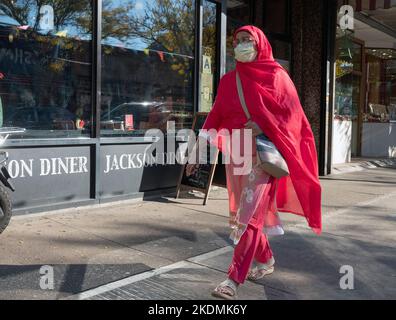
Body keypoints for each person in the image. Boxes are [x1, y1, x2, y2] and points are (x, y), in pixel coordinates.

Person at [185, 25, 322, 300]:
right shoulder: (227, 81)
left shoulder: (277, 76)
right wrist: (196, 152)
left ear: (261, 43)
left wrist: (264, 124)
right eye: (237, 41)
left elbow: (294, 118)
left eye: (248, 40)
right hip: (236, 153)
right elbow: (215, 117)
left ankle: (233, 279)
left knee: (249, 216)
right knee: (242, 215)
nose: (242, 45)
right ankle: (266, 259)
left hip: (263, 155)